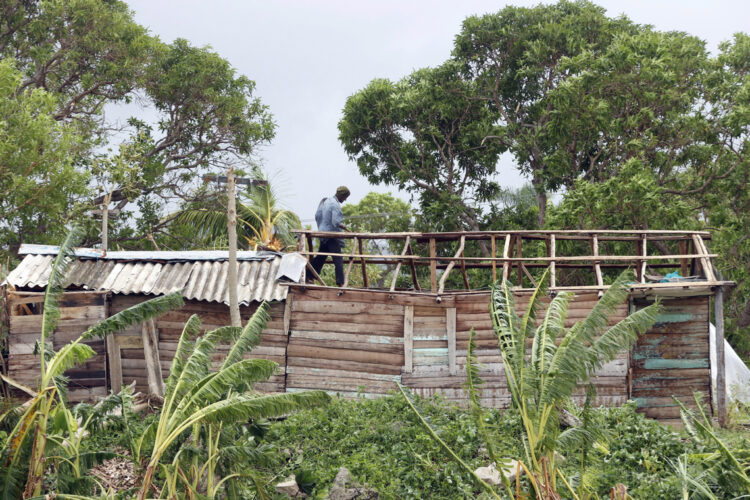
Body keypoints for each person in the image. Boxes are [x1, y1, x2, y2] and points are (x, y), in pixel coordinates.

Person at [311, 186, 350, 286]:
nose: (345, 200)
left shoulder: (325, 201)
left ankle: (309, 275)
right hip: (331, 235)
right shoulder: (335, 204)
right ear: (342, 196)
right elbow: (336, 221)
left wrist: (322, 227)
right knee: (338, 259)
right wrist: (344, 226)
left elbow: (317, 216)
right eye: (345, 198)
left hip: (323, 233)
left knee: (321, 256)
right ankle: (340, 282)